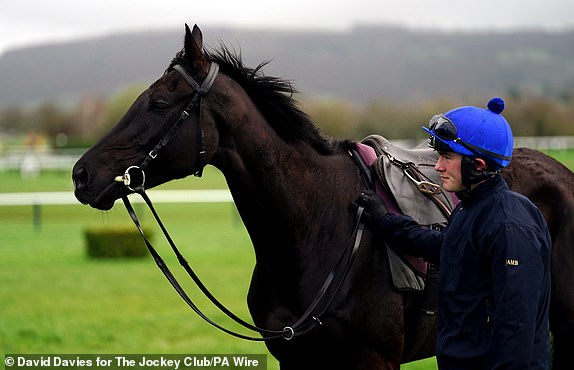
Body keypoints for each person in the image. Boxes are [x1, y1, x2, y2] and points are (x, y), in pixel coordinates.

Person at [357, 97, 551, 370]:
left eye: (447, 157)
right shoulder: (470, 210)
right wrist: (385, 220)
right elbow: (442, 245)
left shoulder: (510, 227)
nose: (437, 167)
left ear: (479, 165)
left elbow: (515, 330)